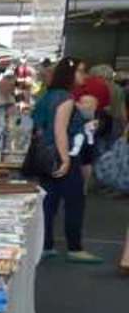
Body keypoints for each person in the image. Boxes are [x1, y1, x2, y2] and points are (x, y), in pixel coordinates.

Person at [32, 57, 99, 263]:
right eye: (80, 71)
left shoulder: (47, 96)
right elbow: (59, 130)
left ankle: (45, 244)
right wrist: (66, 159)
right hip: (64, 156)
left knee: (49, 202)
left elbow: (40, 127)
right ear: (70, 74)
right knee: (74, 202)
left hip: (47, 156)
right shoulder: (65, 98)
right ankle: (74, 247)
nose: (84, 75)